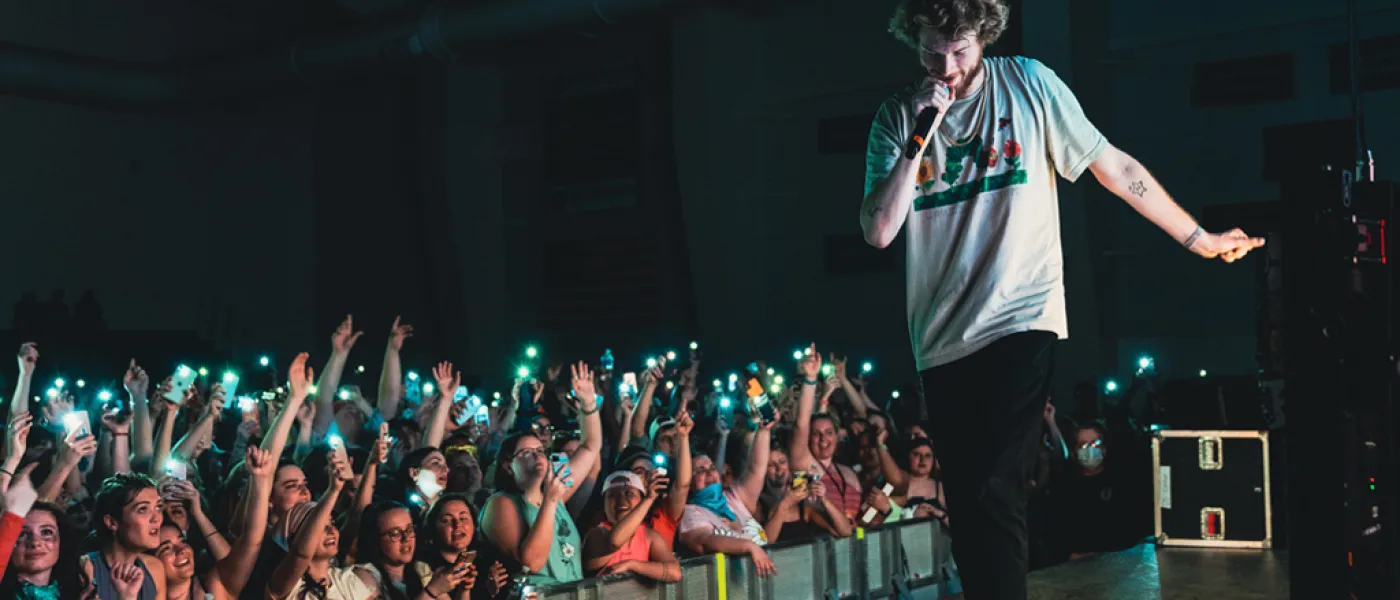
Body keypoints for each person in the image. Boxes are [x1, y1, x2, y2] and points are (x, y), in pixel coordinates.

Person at [858, 1, 1264, 596]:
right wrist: (920, 136)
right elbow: (878, 231)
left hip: (1021, 314)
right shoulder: (897, 118)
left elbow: (1113, 166)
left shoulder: (1030, 85)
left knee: (995, 482)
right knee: (968, 499)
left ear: (984, 36)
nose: (946, 68)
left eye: (960, 51)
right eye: (931, 52)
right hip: (942, 336)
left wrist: (1197, 237)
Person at [479, 363, 602, 586]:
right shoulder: (501, 503)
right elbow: (532, 563)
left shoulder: (555, 496)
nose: (536, 456)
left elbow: (590, 446)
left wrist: (588, 403)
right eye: (526, 453)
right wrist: (551, 500)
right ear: (508, 465)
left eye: (539, 451)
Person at [580, 471, 681, 581]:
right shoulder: (596, 534)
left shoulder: (649, 536)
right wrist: (649, 499)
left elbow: (674, 573)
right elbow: (615, 541)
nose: (621, 500)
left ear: (640, 499)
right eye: (612, 496)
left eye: (629, 493)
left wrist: (632, 565)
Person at [82, 473, 168, 600]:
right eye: (142, 509)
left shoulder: (154, 569)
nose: (157, 518)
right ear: (112, 522)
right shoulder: (86, 568)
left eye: (158, 507)